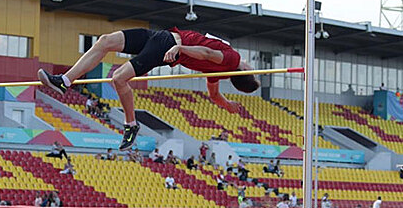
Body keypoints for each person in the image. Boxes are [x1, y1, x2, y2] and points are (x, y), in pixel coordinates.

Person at [38, 27, 259, 151]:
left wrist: (180, 47)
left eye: (253, 69)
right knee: (104, 41)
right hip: (161, 36)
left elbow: (208, 54)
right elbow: (213, 95)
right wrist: (228, 105)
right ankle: (64, 81)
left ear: (246, 71)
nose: (251, 64)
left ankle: (130, 124)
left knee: (118, 78)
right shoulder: (219, 72)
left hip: (167, 46)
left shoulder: (232, 60)